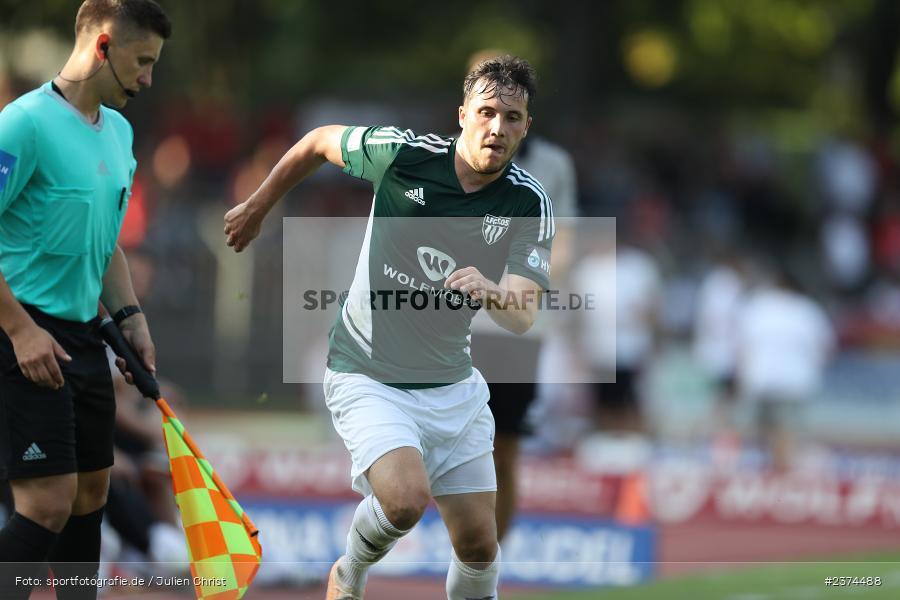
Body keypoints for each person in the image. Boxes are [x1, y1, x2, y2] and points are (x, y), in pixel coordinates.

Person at [225, 55, 553, 600]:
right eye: (488, 112)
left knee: (478, 547)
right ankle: (348, 571)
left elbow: (522, 313)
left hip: (452, 388)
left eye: (513, 118)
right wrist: (260, 206)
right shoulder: (403, 155)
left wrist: (491, 289)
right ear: (463, 114)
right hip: (367, 375)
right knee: (404, 501)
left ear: (527, 126)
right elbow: (316, 142)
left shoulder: (528, 201)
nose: (498, 128)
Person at [0, 1, 170, 597]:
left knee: (89, 495)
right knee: (45, 504)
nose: (148, 78)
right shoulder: (22, 124)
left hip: (82, 337)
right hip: (20, 334)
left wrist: (133, 321)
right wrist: (21, 331)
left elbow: (106, 247)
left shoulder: (119, 132)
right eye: (142, 61)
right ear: (102, 46)